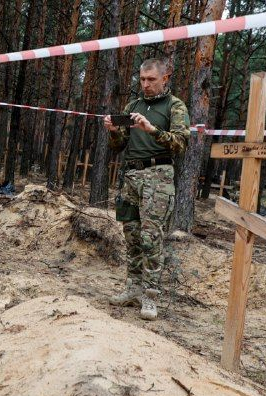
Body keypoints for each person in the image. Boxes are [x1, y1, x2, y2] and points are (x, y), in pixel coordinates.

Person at [103, 58, 190, 320]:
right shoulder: (133, 106)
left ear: (165, 78)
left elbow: (181, 144)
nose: (146, 85)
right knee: (131, 235)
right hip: (132, 174)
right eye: (142, 79)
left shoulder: (175, 106)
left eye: (151, 80)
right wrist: (114, 131)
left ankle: (150, 297)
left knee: (151, 238)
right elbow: (118, 146)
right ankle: (133, 288)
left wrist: (152, 130)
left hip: (158, 176)